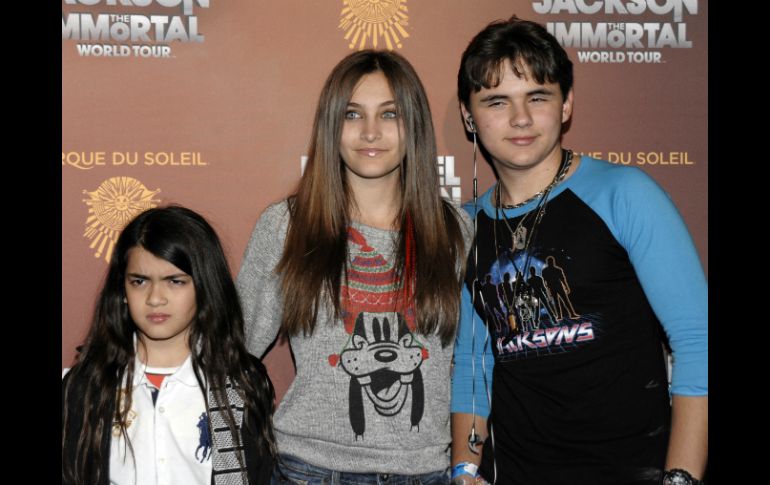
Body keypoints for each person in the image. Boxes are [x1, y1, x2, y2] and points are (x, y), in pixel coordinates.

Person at [449, 16, 708, 485]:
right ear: (469, 116)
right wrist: (464, 470)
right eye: (497, 101)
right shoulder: (466, 227)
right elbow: (472, 366)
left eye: (538, 97)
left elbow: (697, 341)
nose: (521, 118)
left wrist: (681, 479)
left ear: (566, 104)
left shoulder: (624, 194)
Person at [237, 49, 472, 484]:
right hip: (308, 471)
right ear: (331, 125)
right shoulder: (287, 226)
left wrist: (468, 463)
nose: (370, 132)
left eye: (389, 114)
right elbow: (230, 351)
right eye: (352, 114)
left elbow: (476, 364)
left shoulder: (456, 230)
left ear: (414, 125)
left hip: (425, 472)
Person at [62, 206, 276, 485]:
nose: (155, 298)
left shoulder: (240, 385)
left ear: (205, 286)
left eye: (175, 281)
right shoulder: (87, 385)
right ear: (122, 290)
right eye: (139, 281)